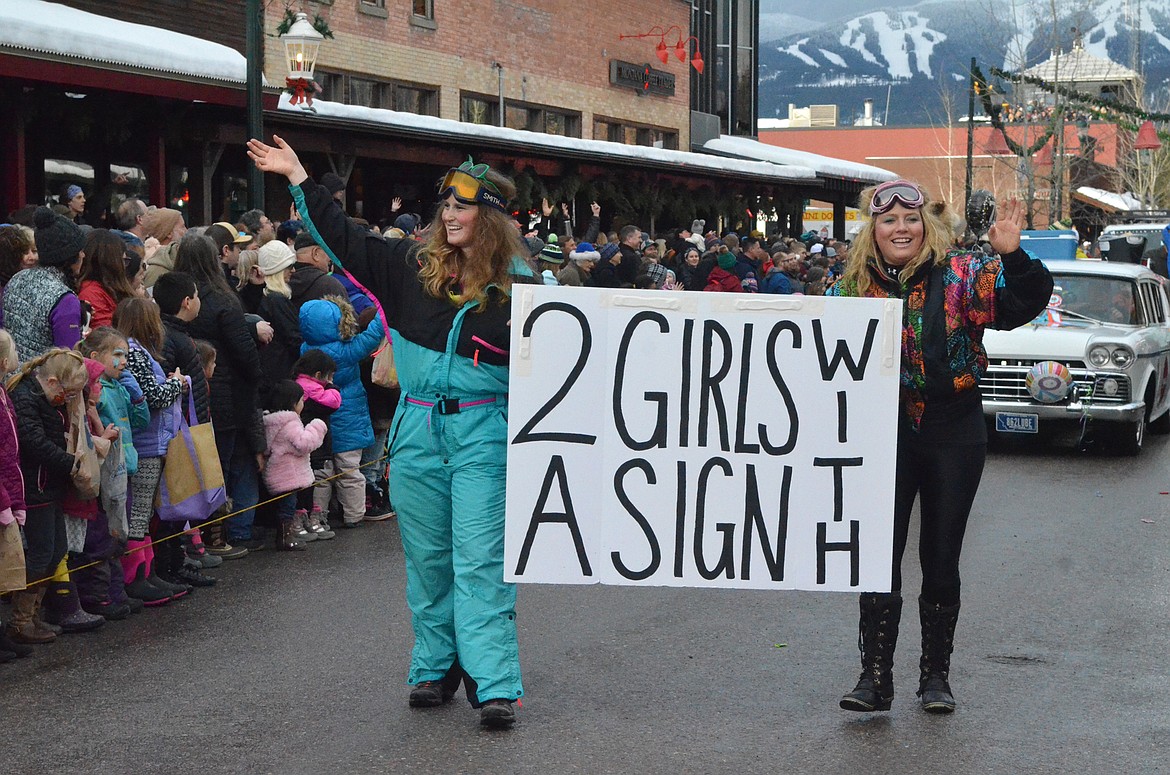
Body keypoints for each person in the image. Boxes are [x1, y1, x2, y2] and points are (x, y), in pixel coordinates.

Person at [248, 134, 529, 728]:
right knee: (428, 558)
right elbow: (346, 241)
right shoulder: (410, 268)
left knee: (480, 558)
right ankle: (435, 664)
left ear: (493, 218)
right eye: (445, 204)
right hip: (419, 427)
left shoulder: (523, 292)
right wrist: (301, 179)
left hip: (485, 431)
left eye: (464, 204)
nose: (449, 213)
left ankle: (494, 679)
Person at [829, 179, 1052, 715]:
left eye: (911, 220)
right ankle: (874, 678)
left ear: (926, 227)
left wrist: (1013, 254)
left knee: (940, 554)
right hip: (884, 432)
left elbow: (1026, 300)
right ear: (873, 230)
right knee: (878, 554)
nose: (900, 229)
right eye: (888, 221)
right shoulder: (852, 286)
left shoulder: (962, 274)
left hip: (954, 429)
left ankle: (935, 678)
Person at [6, 348, 88, 644]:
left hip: (49, 485)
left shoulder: (44, 395)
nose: (68, 399)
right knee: (42, 552)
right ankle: (21, 620)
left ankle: (34, 614)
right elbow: (33, 442)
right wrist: (71, 463)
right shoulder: (26, 397)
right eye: (68, 394)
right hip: (34, 486)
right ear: (53, 383)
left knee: (57, 550)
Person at [5, 207, 86, 362]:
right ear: (69, 256)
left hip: (10, 378)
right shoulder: (64, 299)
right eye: (80, 251)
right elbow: (68, 362)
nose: (83, 255)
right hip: (45, 382)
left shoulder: (17, 278)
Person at [261, 379, 327, 552]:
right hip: (289, 474)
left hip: (277, 473)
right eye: (301, 401)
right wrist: (317, 427)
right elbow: (303, 443)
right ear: (293, 403)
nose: (303, 404)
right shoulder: (290, 423)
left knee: (284, 507)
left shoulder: (271, 421)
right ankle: (285, 538)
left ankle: (285, 536)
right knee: (287, 509)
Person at [292, 350, 340, 541]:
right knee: (307, 481)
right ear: (319, 375)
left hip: (309, 444)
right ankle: (304, 516)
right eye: (330, 376)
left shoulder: (298, 384)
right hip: (312, 445)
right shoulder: (312, 389)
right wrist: (333, 386)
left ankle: (308, 515)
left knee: (310, 481)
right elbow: (334, 402)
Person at [78, 229, 139, 328]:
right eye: (123, 261)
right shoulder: (91, 294)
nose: (124, 267)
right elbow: (107, 335)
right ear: (112, 262)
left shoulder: (108, 289)